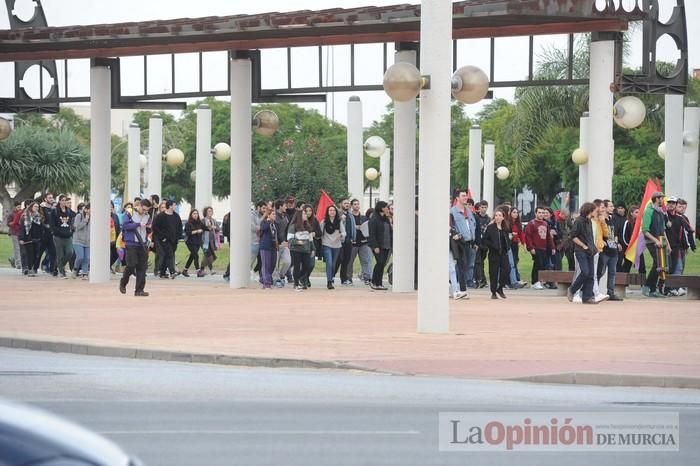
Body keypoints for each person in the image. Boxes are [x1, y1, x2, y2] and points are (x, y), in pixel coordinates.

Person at [567, 202, 598, 305]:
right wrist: (583, 246)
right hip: (581, 251)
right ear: (589, 210)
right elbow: (573, 236)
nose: (596, 211)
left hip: (590, 251)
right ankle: (572, 290)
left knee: (591, 275)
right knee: (585, 272)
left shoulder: (589, 221)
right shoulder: (579, 221)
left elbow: (590, 237)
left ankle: (587, 296)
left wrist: (593, 248)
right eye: (594, 210)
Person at [119, 199, 151, 297]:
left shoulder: (148, 216)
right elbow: (125, 226)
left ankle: (139, 290)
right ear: (140, 206)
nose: (145, 212)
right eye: (144, 209)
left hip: (143, 244)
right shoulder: (130, 212)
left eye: (147, 210)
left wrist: (149, 228)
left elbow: (149, 229)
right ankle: (123, 282)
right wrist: (137, 224)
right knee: (131, 264)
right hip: (131, 243)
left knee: (142, 267)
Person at [641, 192, 671, 298]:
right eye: (660, 198)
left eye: (662, 198)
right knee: (658, 263)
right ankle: (648, 286)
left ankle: (652, 289)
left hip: (661, 241)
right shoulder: (648, 211)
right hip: (651, 241)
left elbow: (663, 230)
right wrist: (655, 240)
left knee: (660, 265)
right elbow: (645, 230)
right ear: (655, 199)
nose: (662, 200)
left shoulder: (661, 212)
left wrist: (668, 244)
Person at [449, 190, 478, 292]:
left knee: (468, 265)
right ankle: (459, 288)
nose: (466, 197)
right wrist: (457, 235)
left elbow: (473, 225)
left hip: (470, 243)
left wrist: (475, 241)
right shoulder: (452, 212)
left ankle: (463, 285)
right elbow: (451, 227)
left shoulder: (469, 211)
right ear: (457, 198)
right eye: (463, 196)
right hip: (459, 243)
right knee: (459, 265)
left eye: (466, 196)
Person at [481, 208, 510, 299]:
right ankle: (493, 292)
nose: (497, 217)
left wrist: (507, 247)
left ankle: (500, 288)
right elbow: (485, 240)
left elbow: (507, 239)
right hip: (494, 253)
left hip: (503, 253)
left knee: (506, 270)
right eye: (496, 215)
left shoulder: (505, 228)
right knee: (493, 272)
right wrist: (492, 246)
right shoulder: (490, 228)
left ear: (503, 217)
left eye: (500, 215)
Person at [597, 199, 623, 301]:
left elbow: (614, 233)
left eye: (613, 206)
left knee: (612, 272)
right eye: (610, 206)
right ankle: (594, 291)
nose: (613, 208)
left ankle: (610, 293)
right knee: (600, 272)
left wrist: (617, 242)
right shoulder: (601, 220)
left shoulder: (613, 219)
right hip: (604, 251)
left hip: (613, 250)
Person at [523, 206, 555, 290]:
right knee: (538, 264)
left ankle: (537, 281)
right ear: (535, 213)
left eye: (542, 213)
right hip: (535, 247)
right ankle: (535, 282)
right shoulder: (532, 223)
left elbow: (548, 237)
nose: (541, 214)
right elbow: (528, 236)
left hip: (543, 248)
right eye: (539, 212)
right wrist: (531, 247)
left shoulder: (545, 223)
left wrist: (552, 247)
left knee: (542, 265)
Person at [151, 200, 181, 278]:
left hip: (173, 240)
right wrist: (162, 237)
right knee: (169, 254)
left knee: (167, 255)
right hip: (163, 240)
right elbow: (155, 227)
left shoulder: (176, 216)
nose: (175, 207)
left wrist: (178, 237)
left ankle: (162, 273)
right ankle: (172, 272)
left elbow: (179, 228)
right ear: (170, 206)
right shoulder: (160, 216)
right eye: (174, 205)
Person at [287, 208, 315, 291]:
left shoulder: (307, 226)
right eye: (304, 214)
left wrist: (313, 249)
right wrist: (297, 241)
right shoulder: (293, 226)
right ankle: (296, 284)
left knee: (307, 266)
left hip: (306, 250)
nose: (306, 215)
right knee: (297, 267)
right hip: (296, 250)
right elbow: (289, 239)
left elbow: (310, 239)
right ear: (299, 216)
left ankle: (300, 279)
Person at [320, 205, 347, 290]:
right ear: (327, 212)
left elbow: (344, 232)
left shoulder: (339, 222)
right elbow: (320, 233)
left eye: (334, 210)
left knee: (334, 264)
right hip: (326, 244)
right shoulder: (324, 222)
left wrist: (341, 235)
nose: (332, 212)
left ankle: (331, 277)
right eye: (330, 210)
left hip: (337, 245)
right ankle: (329, 282)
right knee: (329, 263)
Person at [368, 201, 392, 291]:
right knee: (380, 262)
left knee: (382, 264)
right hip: (378, 246)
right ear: (382, 208)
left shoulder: (385, 218)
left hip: (386, 245)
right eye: (386, 207)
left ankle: (379, 283)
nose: (388, 209)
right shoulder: (374, 219)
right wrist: (375, 246)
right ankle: (374, 282)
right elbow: (372, 234)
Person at [349, 198, 373, 285]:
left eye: (358, 204)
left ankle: (367, 278)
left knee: (365, 260)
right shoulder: (349, 217)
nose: (356, 205)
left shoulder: (364, 217)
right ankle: (348, 279)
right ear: (352, 206)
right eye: (355, 204)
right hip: (353, 243)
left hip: (364, 242)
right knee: (350, 262)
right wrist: (355, 227)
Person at [51, 194, 75, 279]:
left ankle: (59, 266)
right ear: (59, 201)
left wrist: (71, 231)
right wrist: (58, 232)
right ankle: (61, 272)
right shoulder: (55, 211)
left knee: (70, 252)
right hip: (58, 237)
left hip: (68, 236)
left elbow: (74, 219)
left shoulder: (69, 211)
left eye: (65, 200)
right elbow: (52, 225)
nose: (64, 202)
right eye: (62, 200)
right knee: (60, 254)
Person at [18, 202, 43, 277]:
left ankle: (32, 267)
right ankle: (29, 269)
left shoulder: (39, 217)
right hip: (28, 238)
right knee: (30, 254)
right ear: (31, 207)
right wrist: (21, 238)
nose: (36, 208)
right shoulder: (25, 217)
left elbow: (40, 228)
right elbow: (22, 229)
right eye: (35, 206)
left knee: (36, 254)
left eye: (38, 207)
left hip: (37, 238)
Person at [620, 205, 646, 277]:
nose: (638, 214)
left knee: (642, 266)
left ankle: (642, 284)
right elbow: (624, 237)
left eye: (639, 212)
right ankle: (622, 282)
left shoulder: (640, 224)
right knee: (627, 266)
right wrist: (629, 246)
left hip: (638, 249)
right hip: (629, 249)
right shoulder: (627, 223)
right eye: (636, 212)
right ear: (631, 213)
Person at [335, 199, 356, 286]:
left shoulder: (350, 215)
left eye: (348, 203)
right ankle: (331, 276)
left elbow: (353, 227)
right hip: (340, 241)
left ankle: (344, 279)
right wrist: (340, 219)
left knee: (346, 260)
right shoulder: (337, 214)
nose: (347, 205)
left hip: (349, 241)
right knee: (339, 259)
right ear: (341, 204)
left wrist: (353, 237)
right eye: (345, 203)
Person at [272, 200, 291, 288]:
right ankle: (276, 280)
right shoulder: (274, 216)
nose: (286, 207)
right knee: (275, 264)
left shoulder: (285, 216)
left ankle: (281, 275)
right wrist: (278, 243)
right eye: (284, 206)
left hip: (285, 244)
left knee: (288, 261)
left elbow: (286, 230)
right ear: (280, 206)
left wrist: (287, 241)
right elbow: (275, 231)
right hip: (276, 244)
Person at [259, 208, 278, 289]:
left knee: (272, 264)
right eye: (273, 214)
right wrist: (268, 221)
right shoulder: (264, 222)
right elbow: (263, 228)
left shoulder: (275, 224)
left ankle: (263, 279)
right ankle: (267, 283)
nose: (275, 216)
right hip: (265, 246)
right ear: (269, 215)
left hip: (273, 246)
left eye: (275, 214)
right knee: (266, 264)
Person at [38, 192, 56, 275]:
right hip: (43, 234)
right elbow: (42, 220)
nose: (51, 199)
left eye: (52, 197)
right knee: (40, 252)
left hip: (51, 234)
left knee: (53, 252)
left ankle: (52, 269)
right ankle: (34, 267)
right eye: (49, 197)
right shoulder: (42, 207)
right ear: (45, 199)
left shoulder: (54, 208)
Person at [474, 200, 491, 289]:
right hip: (478, 242)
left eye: (485, 207)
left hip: (485, 243)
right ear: (479, 208)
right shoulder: (476, 217)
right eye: (482, 207)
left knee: (482, 262)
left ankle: (481, 279)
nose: (483, 209)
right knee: (478, 261)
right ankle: (480, 279)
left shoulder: (489, 219)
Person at [183, 209, 205, 277]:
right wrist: (197, 231)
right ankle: (198, 271)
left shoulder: (200, 223)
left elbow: (204, 228)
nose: (195, 215)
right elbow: (188, 233)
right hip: (190, 242)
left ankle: (185, 270)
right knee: (196, 255)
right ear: (191, 215)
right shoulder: (188, 223)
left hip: (197, 242)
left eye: (196, 214)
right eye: (194, 214)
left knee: (192, 256)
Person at [72, 203, 90, 279]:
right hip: (78, 240)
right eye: (89, 209)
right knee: (80, 257)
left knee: (87, 258)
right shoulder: (79, 216)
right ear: (86, 209)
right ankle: (75, 269)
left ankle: (85, 273)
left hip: (88, 241)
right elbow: (77, 227)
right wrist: (85, 220)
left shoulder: (93, 218)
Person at [201, 206, 219, 276]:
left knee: (209, 256)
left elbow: (218, 229)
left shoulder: (213, 220)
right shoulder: (203, 220)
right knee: (209, 256)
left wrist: (214, 227)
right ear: (205, 212)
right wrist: (207, 227)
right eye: (208, 211)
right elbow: (201, 229)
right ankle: (211, 270)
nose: (210, 212)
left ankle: (201, 269)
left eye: (211, 211)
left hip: (212, 241)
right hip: (204, 241)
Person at [7, 201, 23, 270]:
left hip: (20, 233)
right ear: (15, 207)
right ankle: (18, 264)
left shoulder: (22, 213)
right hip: (14, 233)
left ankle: (12, 258)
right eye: (18, 207)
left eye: (20, 207)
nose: (19, 208)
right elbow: (8, 223)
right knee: (17, 248)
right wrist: (14, 223)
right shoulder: (11, 214)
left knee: (21, 248)